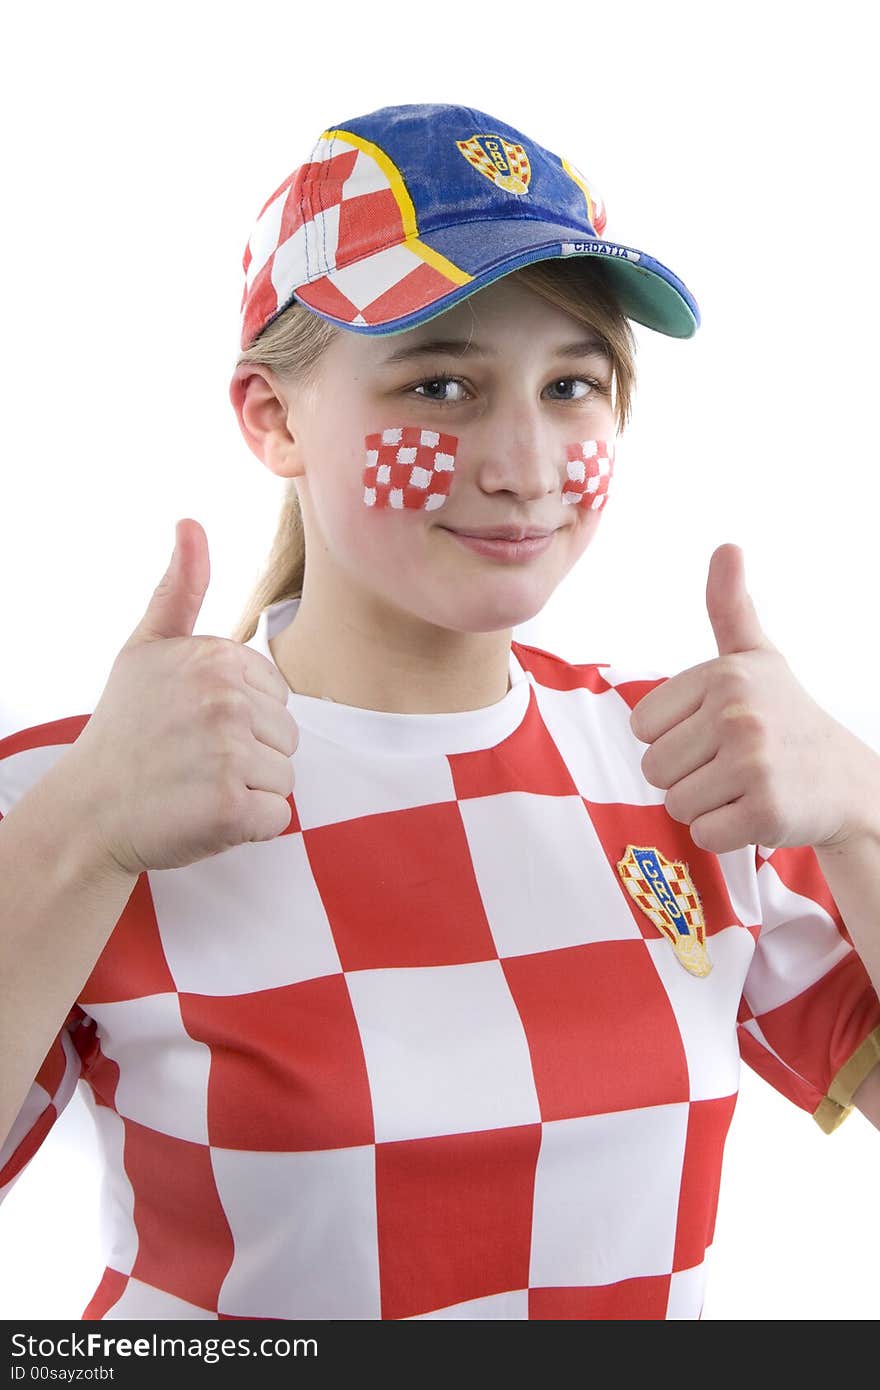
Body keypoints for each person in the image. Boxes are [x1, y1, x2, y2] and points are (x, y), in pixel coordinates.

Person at [1, 102, 878, 1323]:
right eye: (443, 382)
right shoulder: (84, 786)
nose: (522, 463)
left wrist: (862, 814)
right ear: (271, 417)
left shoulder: (695, 766)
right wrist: (77, 836)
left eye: (571, 383)